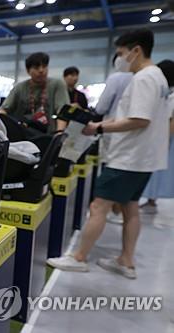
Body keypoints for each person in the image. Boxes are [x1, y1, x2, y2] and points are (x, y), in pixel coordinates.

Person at [47, 29, 171, 279]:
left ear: (136, 50)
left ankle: (79, 257)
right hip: (144, 159)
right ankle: (126, 260)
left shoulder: (144, 78)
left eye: (121, 54)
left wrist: (99, 127)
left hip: (128, 157)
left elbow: (139, 120)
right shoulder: (158, 78)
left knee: (99, 205)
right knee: (130, 208)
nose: (120, 59)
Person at [94, 55, 134, 224]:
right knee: (125, 176)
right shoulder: (138, 77)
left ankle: (106, 209)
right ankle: (117, 209)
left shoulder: (116, 78)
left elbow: (101, 106)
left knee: (109, 171)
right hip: (131, 135)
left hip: (112, 130)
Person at [0, 52, 69, 133]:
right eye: (36, 67)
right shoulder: (20, 87)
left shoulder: (57, 85)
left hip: (49, 135)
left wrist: (59, 132)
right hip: (23, 134)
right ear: (28, 71)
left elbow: (63, 111)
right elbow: (3, 110)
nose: (41, 70)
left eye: (44, 66)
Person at [140, 60, 174, 214]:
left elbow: (172, 119)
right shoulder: (165, 91)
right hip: (162, 135)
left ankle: (153, 198)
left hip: (166, 137)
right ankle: (151, 198)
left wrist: (166, 139)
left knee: (159, 170)